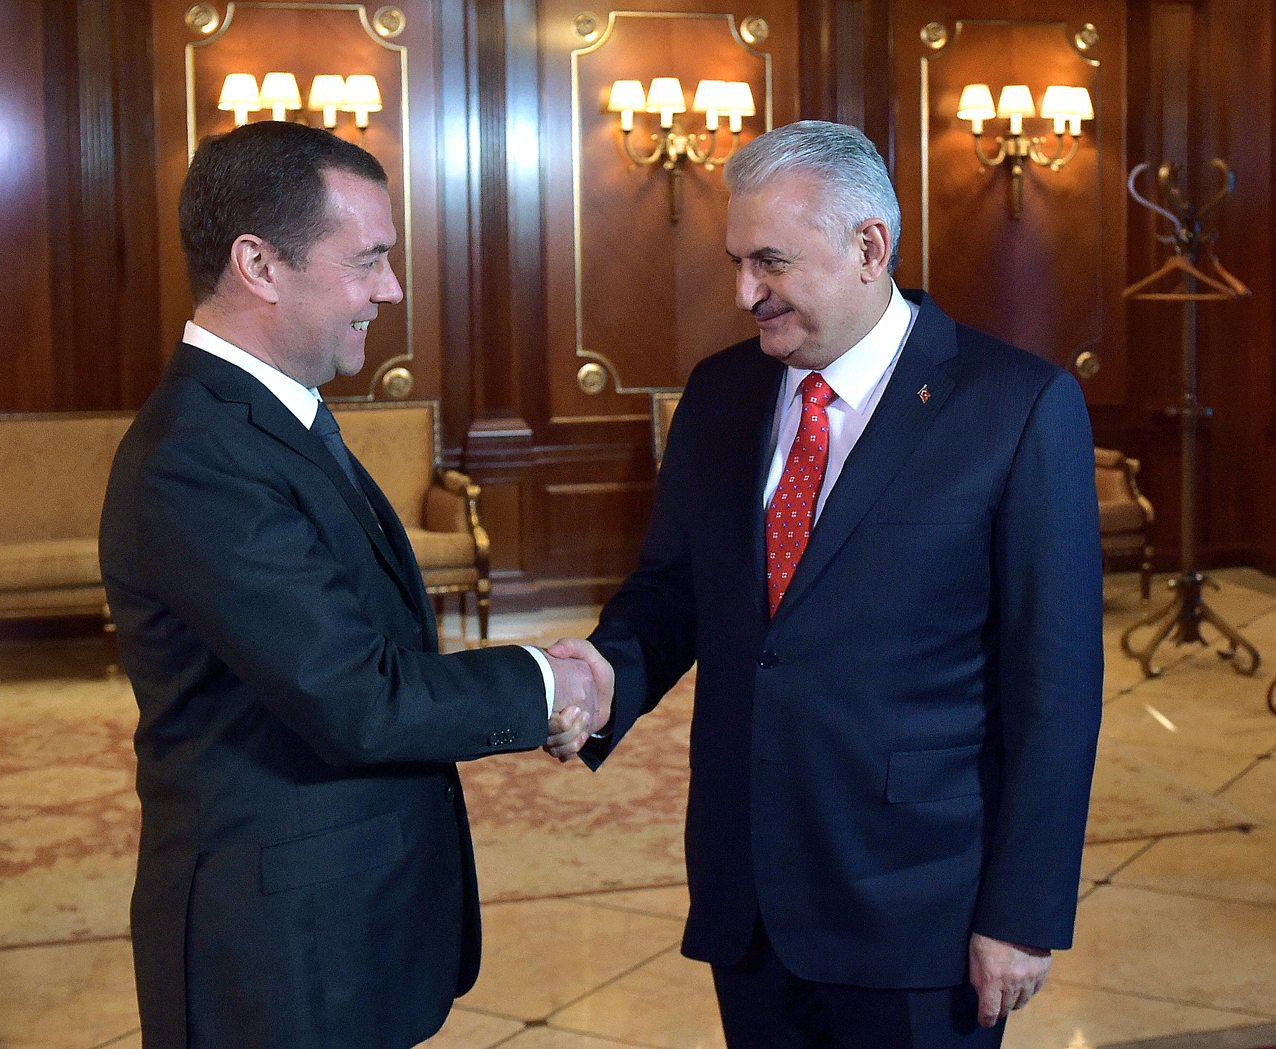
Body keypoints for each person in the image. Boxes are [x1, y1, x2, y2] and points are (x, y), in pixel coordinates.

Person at [550, 120, 1103, 1048]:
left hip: (918, 905)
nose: (743, 293)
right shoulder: (721, 392)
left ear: (869, 248)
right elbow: (674, 591)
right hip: (749, 891)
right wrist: (611, 675)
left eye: (769, 262)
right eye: (735, 262)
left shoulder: (1017, 405)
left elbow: (1055, 689)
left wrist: (1022, 912)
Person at [100, 120, 606, 1049]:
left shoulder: (267, 421)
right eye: (368, 258)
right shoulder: (199, 456)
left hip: (342, 921)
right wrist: (549, 684)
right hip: (276, 955)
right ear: (259, 263)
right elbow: (356, 696)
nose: (391, 288)